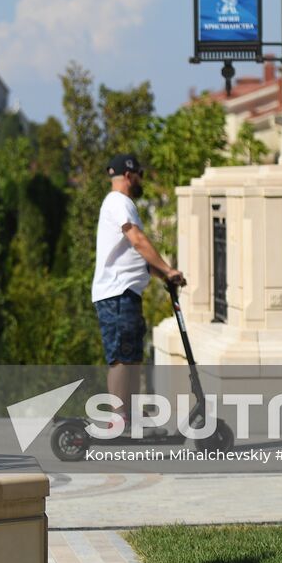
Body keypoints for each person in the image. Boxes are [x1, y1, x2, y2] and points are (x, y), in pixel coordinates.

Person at [93, 153, 186, 433]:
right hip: (117, 294)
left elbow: (138, 255)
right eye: (141, 175)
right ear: (130, 175)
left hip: (126, 293)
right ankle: (119, 421)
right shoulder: (119, 202)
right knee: (122, 357)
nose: (142, 181)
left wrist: (164, 275)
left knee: (131, 357)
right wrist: (167, 270)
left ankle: (129, 418)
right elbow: (137, 240)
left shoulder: (120, 204)